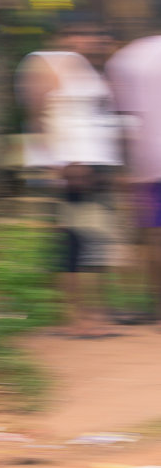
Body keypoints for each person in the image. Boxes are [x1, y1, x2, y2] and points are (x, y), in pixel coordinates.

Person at [16, 17, 124, 337]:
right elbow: (37, 118)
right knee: (72, 243)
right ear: (62, 35)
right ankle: (74, 317)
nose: (88, 40)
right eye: (80, 33)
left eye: (93, 34)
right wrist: (58, 164)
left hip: (98, 164)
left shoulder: (88, 69)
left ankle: (98, 313)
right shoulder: (43, 63)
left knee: (99, 242)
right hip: (70, 167)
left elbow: (98, 119)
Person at [106, 35, 161, 324]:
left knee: (154, 238)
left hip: (149, 164)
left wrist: (126, 169)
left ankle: (157, 308)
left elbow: (125, 120)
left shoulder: (130, 57)